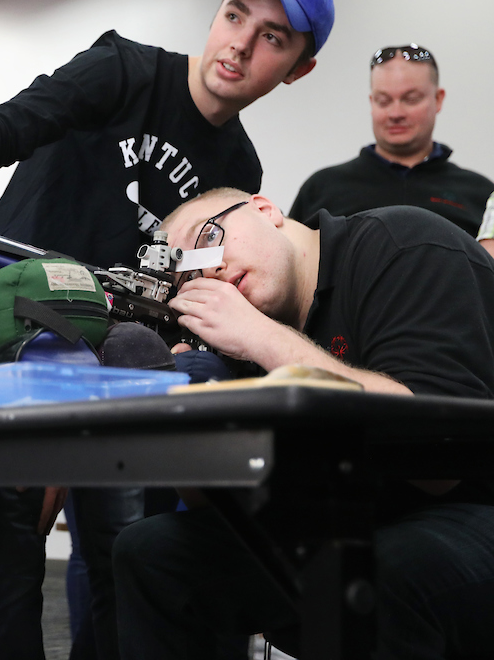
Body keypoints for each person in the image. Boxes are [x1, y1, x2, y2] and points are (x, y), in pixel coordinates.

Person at [0, 0, 334, 660]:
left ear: (297, 69)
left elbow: (196, 288)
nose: (240, 45)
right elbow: (14, 120)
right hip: (27, 330)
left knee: (123, 550)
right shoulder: (125, 69)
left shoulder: (240, 173)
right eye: (235, 16)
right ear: (217, 14)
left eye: (272, 37)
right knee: (14, 544)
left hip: (128, 362)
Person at [112, 188, 494, 659]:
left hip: (469, 506)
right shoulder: (245, 327)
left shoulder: (404, 244)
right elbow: (217, 501)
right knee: (151, 554)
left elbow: (440, 458)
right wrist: (182, 415)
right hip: (353, 513)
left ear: (264, 209)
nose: (208, 270)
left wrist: (264, 340)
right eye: (187, 274)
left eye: (210, 237)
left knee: (378, 572)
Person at [289, 44, 494, 235]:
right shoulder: (322, 188)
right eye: (383, 101)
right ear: (371, 103)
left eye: (411, 99)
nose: (395, 113)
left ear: (438, 99)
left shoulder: (482, 195)